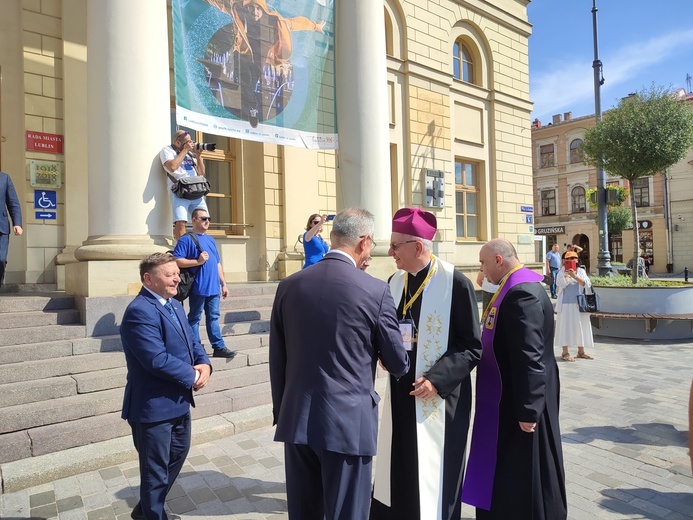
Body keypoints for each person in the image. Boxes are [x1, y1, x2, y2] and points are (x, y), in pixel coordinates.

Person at [270, 208, 410, 520]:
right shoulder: (375, 290)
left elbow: (277, 357)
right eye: (372, 246)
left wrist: (283, 410)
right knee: (347, 512)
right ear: (364, 242)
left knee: (305, 512)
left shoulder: (289, 285)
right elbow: (397, 362)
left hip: (297, 419)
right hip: (347, 425)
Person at [371, 208, 482, 520]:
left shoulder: (455, 283)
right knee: (401, 464)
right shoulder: (394, 281)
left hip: (440, 398)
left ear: (417, 247)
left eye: (395, 246)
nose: (390, 252)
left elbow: (471, 346)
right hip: (402, 393)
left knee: (437, 471)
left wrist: (436, 379)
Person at [461, 238, 567, 519]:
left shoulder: (521, 294)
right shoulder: (515, 286)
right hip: (510, 394)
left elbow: (529, 355)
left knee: (525, 471)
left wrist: (529, 408)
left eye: (483, 262)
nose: (481, 269)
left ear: (498, 260)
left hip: (519, 400)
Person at [120, 253, 212, 520]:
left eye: (177, 273)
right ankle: (153, 515)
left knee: (175, 459)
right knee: (155, 471)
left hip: (179, 404)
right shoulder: (140, 311)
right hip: (153, 408)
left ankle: (145, 510)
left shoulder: (173, 305)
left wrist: (204, 364)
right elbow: (156, 359)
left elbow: (191, 341)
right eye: (169, 274)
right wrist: (193, 376)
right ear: (148, 278)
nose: (177, 278)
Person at [205, 0, 325, 123]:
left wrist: (315, 26)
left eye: (258, 8)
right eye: (251, 8)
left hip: (259, 61)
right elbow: (220, 4)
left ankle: (248, 109)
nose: (255, 12)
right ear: (246, 9)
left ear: (263, 9)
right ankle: (250, 110)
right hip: (242, 54)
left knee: (250, 84)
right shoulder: (238, 12)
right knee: (245, 82)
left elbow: (295, 23)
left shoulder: (275, 21)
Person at [173, 209, 236, 359]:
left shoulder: (211, 240)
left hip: (214, 287)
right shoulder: (186, 239)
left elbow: (217, 264)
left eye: (208, 218)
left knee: (213, 317)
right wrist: (197, 261)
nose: (207, 221)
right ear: (194, 220)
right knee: (194, 318)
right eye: (203, 218)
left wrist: (224, 284)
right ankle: (196, 348)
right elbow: (176, 260)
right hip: (198, 287)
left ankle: (218, 347)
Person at [161, 130, 207, 240]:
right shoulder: (167, 150)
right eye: (187, 142)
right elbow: (172, 167)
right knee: (180, 221)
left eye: (191, 142)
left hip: (196, 190)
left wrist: (199, 156)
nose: (190, 144)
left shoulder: (190, 154)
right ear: (177, 142)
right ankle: (182, 248)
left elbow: (201, 172)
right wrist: (185, 150)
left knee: (204, 219)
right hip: (179, 191)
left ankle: (200, 246)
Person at [555, 251, 595, 362]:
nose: (571, 260)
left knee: (580, 326)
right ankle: (565, 352)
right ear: (564, 261)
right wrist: (567, 275)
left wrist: (575, 276)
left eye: (574, 258)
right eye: (568, 258)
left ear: (577, 260)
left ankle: (581, 352)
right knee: (565, 327)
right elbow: (560, 284)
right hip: (565, 305)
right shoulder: (561, 272)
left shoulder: (581, 271)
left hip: (579, 303)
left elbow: (586, 284)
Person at [0, 172, 23, 288]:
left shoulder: (4, 178)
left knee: (1, 260)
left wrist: (17, 223)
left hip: (1, 228)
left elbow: (13, 203)